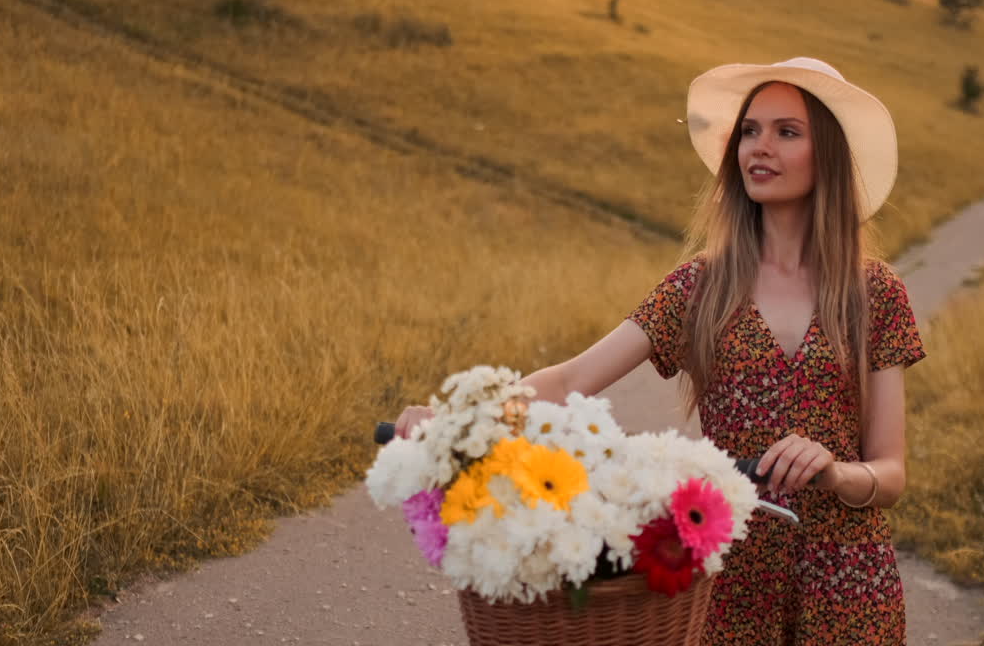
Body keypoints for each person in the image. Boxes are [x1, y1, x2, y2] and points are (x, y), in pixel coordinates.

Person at [395, 57, 925, 644]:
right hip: (726, 575)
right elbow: (572, 379)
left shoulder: (875, 292)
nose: (759, 147)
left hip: (849, 580)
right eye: (749, 131)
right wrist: (455, 422)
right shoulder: (701, 285)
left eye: (786, 132)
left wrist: (835, 473)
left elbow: (891, 471)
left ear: (824, 154)